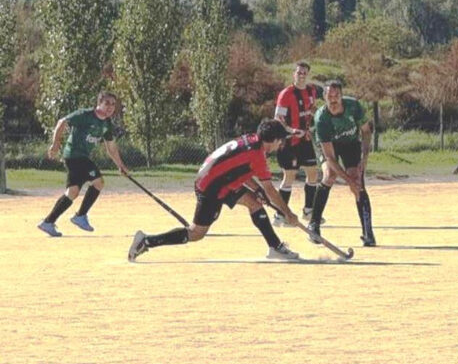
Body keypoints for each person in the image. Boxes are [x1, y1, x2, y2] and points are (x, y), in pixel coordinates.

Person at [128, 119, 300, 262]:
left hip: (218, 180)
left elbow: (239, 170)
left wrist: (256, 189)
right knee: (196, 233)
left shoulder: (251, 140)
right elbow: (270, 189)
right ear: (273, 140)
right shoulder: (258, 156)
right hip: (211, 187)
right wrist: (288, 213)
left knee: (254, 203)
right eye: (280, 140)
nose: (281, 144)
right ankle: (146, 241)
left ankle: (275, 247)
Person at [38, 91, 130, 237]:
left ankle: (48, 222)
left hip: (79, 158)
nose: (110, 107)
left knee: (72, 192)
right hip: (75, 156)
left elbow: (111, 147)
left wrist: (121, 165)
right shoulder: (85, 115)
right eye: (107, 103)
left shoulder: (106, 124)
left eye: (113, 104)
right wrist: (55, 144)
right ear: (99, 103)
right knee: (98, 182)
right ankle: (80, 216)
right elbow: (62, 122)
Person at [308, 80, 376, 246]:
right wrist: (348, 182)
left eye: (336, 96)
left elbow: (366, 131)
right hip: (328, 146)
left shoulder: (354, 107)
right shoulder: (321, 118)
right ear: (324, 97)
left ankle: (368, 232)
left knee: (358, 181)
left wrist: (364, 160)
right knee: (329, 175)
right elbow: (330, 158)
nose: (333, 100)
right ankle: (314, 224)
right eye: (329, 96)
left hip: (351, 143)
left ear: (341, 96)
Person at [272, 61, 323, 226]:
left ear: (307, 75)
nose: (301, 76)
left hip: (305, 140)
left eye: (304, 73)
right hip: (289, 141)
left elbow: (311, 110)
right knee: (290, 176)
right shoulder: (286, 94)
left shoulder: (311, 91)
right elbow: (278, 119)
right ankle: (280, 214)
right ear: (294, 74)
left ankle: (308, 211)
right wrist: (291, 130)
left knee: (313, 173)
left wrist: (314, 123)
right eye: (299, 73)